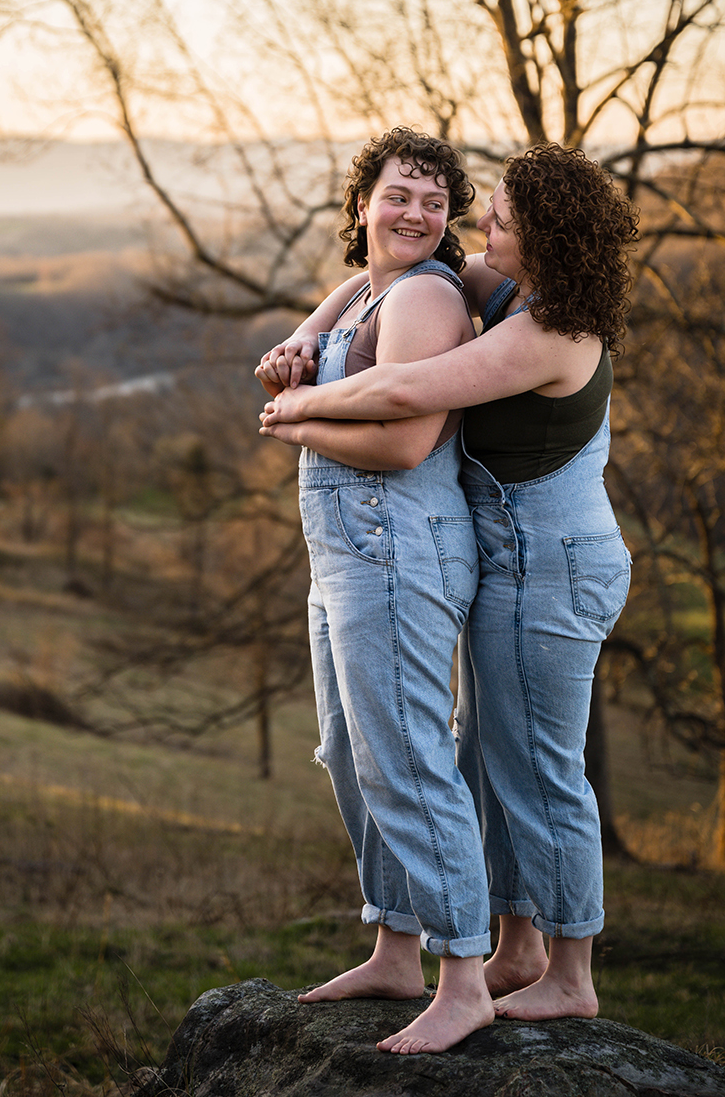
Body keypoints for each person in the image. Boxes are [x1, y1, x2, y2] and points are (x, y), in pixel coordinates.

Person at [260, 143, 637, 1028]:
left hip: (554, 564)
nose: (476, 228)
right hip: (512, 558)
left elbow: (410, 393)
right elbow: (381, 279)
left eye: (496, 219)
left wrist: (298, 410)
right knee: (483, 754)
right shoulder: (502, 288)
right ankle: (516, 950)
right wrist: (310, 337)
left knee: (540, 768)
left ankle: (569, 972)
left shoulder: (550, 330)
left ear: (542, 240)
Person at [256, 127, 500, 1056]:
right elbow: (311, 339)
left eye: (436, 204)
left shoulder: (428, 295)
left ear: (449, 224)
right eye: (401, 194)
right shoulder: (367, 288)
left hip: (399, 545)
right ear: (364, 203)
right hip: (346, 552)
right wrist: (296, 354)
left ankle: (464, 975)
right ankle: (396, 946)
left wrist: (295, 421)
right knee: (344, 747)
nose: (417, 214)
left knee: (404, 755)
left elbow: (405, 442)